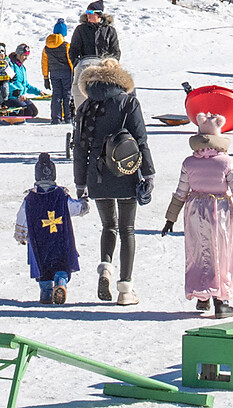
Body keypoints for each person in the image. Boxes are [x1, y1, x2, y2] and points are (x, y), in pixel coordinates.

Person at [72, 58, 151, 306]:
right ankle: (125, 289)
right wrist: (148, 173)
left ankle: (105, 267)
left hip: (96, 174)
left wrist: (80, 182)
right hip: (127, 170)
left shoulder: (86, 105)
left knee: (109, 226)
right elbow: (140, 140)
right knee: (127, 229)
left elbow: (79, 148)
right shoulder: (128, 102)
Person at [160, 111, 233, 318]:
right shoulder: (226, 163)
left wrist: (170, 218)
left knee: (198, 251)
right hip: (218, 209)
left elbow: (181, 192)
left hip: (194, 210)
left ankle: (202, 296)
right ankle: (221, 300)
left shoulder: (189, 163)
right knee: (221, 252)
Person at [16, 152, 88, 305]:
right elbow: (75, 208)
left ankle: (46, 291)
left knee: (41, 264)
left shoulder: (30, 199)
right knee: (61, 263)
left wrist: (21, 236)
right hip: (61, 241)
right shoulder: (61, 195)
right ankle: (61, 282)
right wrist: (84, 204)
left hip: (39, 242)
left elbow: (22, 217)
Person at [43, 21, 73, 124]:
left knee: (56, 95)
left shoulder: (46, 47)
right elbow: (70, 61)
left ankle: (56, 118)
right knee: (67, 94)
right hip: (66, 73)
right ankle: (68, 117)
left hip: (53, 74)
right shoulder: (66, 46)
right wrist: (73, 73)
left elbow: (44, 63)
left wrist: (45, 77)